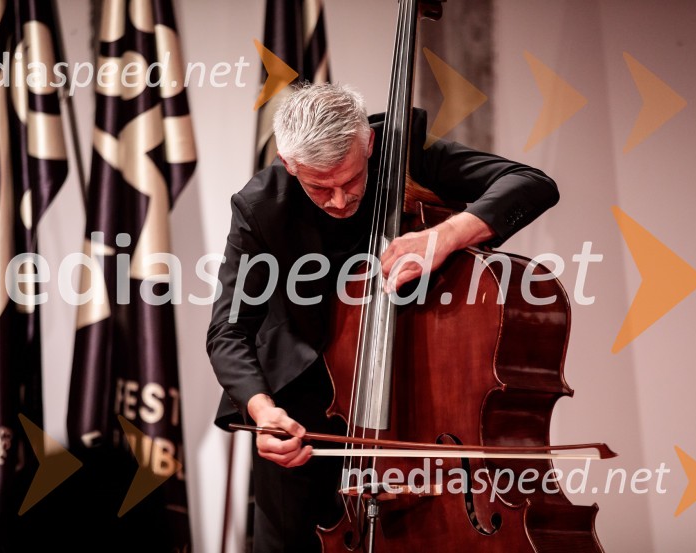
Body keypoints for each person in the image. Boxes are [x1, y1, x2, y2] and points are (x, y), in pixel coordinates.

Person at [206, 83, 559, 552]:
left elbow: (533, 184)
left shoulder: (403, 152)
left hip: (413, 412)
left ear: (367, 144)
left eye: (351, 180)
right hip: (306, 413)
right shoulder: (260, 206)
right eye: (318, 186)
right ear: (290, 165)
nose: (337, 200)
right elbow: (229, 331)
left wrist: (448, 234)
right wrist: (262, 411)